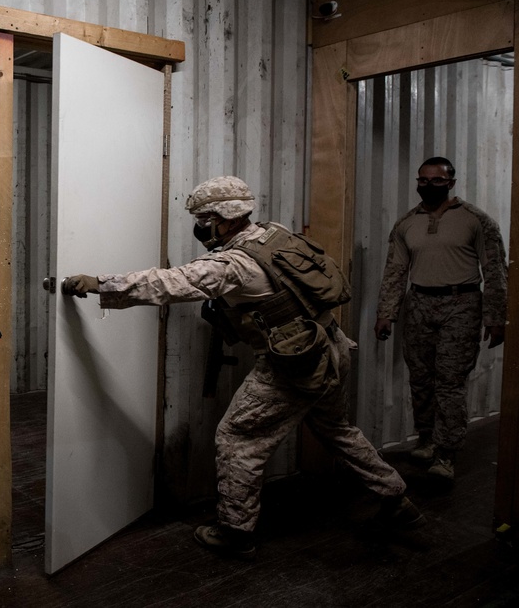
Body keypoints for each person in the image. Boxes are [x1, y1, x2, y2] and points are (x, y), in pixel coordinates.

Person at [62, 175, 422, 560]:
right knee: (337, 430)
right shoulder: (273, 234)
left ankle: (235, 531)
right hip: (331, 348)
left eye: (204, 219)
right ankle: (396, 499)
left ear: (227, 219)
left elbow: (167, 283)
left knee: (237, 439)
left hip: (295, 366)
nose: (200, 226)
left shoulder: (232, 265)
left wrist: (99, 283)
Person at [374, 157, 507, 482]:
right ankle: (426, 439)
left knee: (449, 383)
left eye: (436, 180)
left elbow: (494, 270)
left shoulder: (476, 220)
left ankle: (446, 454)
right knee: (420, 379)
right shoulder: (407, 223)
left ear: (451, 182)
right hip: (419, 303)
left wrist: (495, 317)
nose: (428, 186)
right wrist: (386, 313)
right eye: (423, 180)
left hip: (461, 304)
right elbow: (395, 271)